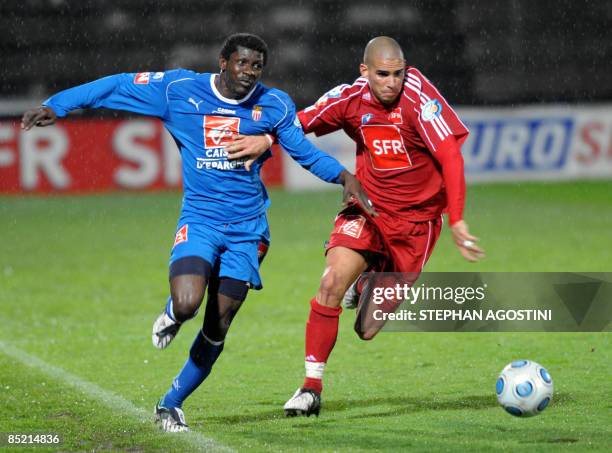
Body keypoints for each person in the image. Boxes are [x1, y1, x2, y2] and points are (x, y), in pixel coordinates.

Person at [21, 33, 375, 431]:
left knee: (217, 325)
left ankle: (170, 403)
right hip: (201, 221)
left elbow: (304, 152)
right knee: (187, 302)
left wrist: (344, 176)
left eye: (257, 66)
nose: (249, 73)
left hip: (248, 232)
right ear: (222, 62)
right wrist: (57, 105)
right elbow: (116, 85)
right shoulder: (178, 89)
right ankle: (173, 313)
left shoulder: (273, 105)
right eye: (242, 63)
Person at [226, 36, 485, 417]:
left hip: (416, 224)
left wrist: (458, 219)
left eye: (398, 73)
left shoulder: (418, 99)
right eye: (383, 74)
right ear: (365, 71)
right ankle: (310, 388)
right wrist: (265, 138)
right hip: (367, 208)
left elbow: (450, 155)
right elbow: (297, 123)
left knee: (366, 330)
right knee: (331, 282)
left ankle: (366, 283)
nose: (392, 82)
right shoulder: (349, 98)